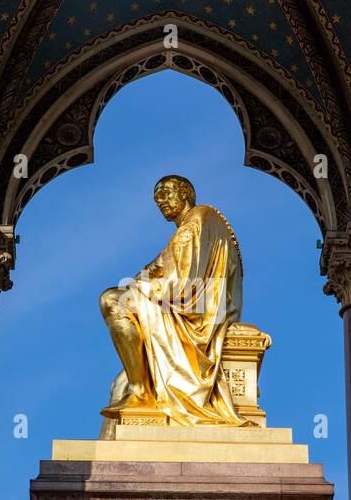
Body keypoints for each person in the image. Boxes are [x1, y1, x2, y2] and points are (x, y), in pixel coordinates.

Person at [99, 175, 246, 426]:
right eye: (157, 197)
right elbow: (161, 264)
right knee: (118, 382)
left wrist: (142, 284)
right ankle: (137, 387)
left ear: (185, 193)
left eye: (166, 193)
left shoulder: (198, 220)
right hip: (192, 305)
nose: (161, 200)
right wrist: (143, 278)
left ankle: (140, 391)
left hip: (199, 312)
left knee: (112, 300)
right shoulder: (193, 226)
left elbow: (185, 284)